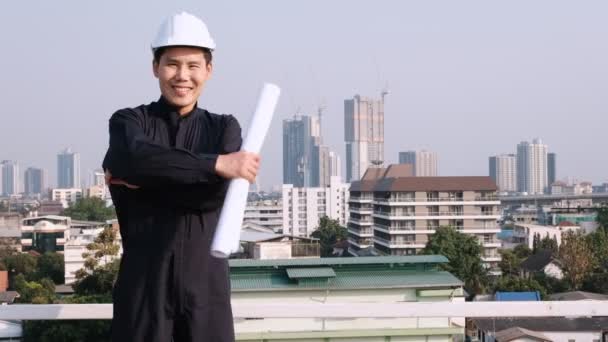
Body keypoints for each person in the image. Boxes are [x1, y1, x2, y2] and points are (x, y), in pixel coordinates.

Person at [102, 12, 259, 342]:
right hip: (143, 292)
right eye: (172, 64)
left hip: (206, 295)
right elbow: (133, 158)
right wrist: (217, 165)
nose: (182, 76)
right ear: (155, 67)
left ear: (208, 70)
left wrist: (145, 182)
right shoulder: (128, 121)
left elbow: (216, 196)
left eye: (193, 65)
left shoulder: (223, 127)